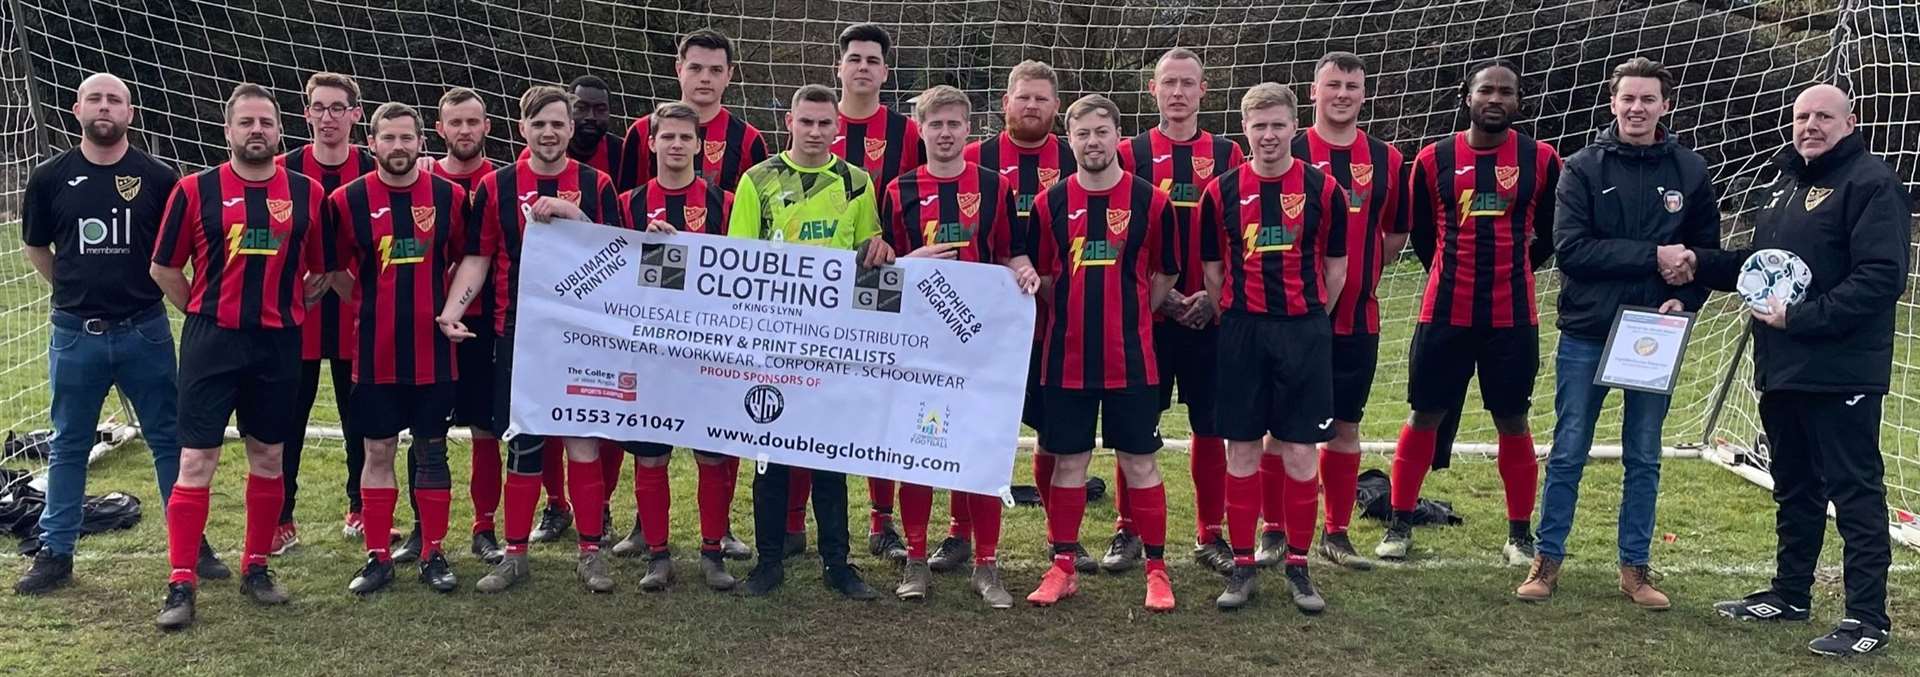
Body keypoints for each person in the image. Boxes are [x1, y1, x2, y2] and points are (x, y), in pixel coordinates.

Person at [1700, 83, 1906, 658]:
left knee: (1854, 491)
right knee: (1794, 486)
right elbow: (1758, 266)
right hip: (1783, 366)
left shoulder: (1871, 184)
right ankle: (1791, 594)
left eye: (1823, 116)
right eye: (1801, 116)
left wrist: (1803, 318)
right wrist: (1699, 265)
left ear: (1850, 121)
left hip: (1841, 370)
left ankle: (1867, 619)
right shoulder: (1788, 182)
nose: (1810, 125)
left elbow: (1880, 277)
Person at [1516, 57, 1719, 609]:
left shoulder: (1690, 171)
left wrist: (1689, 294)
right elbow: (1574, 252)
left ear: (1665, 106)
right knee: (1569, 449)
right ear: (1612, 103)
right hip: (1588, 331)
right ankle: (1547, 561)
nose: (1636, 108)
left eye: (1648, 99)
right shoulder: (1582, 168)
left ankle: (1635, 570)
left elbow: (1707, 252)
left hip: (1654, 333)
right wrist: (1654, 257)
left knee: (1645, 454)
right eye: (1627, 98)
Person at [14, 72, 228, 595]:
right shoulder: (49, 177)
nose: (105, 107)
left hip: (145, 332)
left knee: (167, 441)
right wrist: (74, 290)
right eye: (95, 99)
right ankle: (56, 551)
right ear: (77, 108)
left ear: (130, 113)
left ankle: (192, 544)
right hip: (75, 334)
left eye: (115, 99)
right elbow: (37, 248)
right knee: (68, 445)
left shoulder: (159, 177)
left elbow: (178, 251)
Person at [149, 83, 333, 629]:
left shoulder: (306, 193)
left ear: (280, 131)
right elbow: (164, 268)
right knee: (195, 461)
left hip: (278, 344)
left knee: (269, 458)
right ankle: (181, 581)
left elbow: (319, 271)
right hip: (212, 343)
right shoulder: (193, 189)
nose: (257, 131)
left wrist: (286, 309)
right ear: (228, 130)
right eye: (246, 122)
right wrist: (204, 312)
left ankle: (256, 566)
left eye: (266, 123)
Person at [437, 84, 622, 594]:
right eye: (538, 124)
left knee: (582, 440)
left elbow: (617, 254)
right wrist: (452, 311)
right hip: (517, 334)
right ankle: (514, 555)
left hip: (583, 335)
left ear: (568, 129)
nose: (549, 132)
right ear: (523, 129)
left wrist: (573, 215)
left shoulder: (596, 182)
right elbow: (478, 256)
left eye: (557, 124)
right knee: (523, 441)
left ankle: (591, 552)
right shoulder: (497, 187)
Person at [1377, 60, 1561, 566]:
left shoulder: (1541, 159)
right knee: (1424, 414)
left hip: (1513, 314)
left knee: (1513, 419)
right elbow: (1420, 234)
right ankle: (1398, 523)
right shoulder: (1433, 158)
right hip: (1445, 310)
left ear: (1518, 102)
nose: (1495, 98)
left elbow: (1550, 230)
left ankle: (1519, 535)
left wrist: (1517, 264)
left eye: (1506, 91)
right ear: (1468, 97)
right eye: (1486, 90)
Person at [731, 83, 896, 600]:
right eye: (807, 122)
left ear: (837, 128)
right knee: (771, 460)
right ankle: (768, 562)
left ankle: (838, 565)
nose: (816, 131)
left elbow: (868, 249)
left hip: (834, 346)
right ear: (789, 121)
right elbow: (740, 260)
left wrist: (880, 247)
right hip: (773, 344)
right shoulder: (757, 180)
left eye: (826, 124)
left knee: (831, 460)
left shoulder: (855, 182)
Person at [877, 85, 1039, 607]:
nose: (945, 133)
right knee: (916, 452)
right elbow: (885, 269)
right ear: (919, 130)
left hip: (980, 344)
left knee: (981, 452)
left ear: (968, 130)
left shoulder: (994, 186)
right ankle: (917, 560)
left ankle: (986, 566)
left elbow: (1011, 251)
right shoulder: (898, 188)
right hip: (921, 346)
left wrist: (1023, 268)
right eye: (935, 125)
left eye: (954, 124)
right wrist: (911, 260)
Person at [1025, 94, 1181, 612]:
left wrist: (1133, 310)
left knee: (1140, 463)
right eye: (1082, 134)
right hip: (1065, 357)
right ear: (1069, 141)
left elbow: (1166, 274)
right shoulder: (1049, 203)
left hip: (1132, 359)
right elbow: (1045, 277)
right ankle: (1063, 567)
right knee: (1068, 462)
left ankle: (1157, 571)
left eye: (1101, 132)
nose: (1092, 142)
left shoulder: (1150, 201)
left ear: (1118, 136)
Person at [1200, 82, 1347, 612]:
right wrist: (1240, 315)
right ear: (1245, 130)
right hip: (1241, 331)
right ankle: (1242, 565)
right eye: (1258, 126)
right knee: (1240, 449)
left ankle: (1300, 566)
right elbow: (1214, 272)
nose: (1268, 135)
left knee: (1302, 451)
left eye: (1278, 125)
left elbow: (1336, 268)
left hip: (1304, 332)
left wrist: (1308, 319)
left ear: (1294, 127)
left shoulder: (1323, 188)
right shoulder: (1219, 191)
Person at [794, 22, 926, 562]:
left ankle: (880, 521)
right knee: (802, 399)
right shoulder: (816, 125)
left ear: (885, 71)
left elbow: (921, 199)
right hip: (811, 293)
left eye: (873, 59)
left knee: (880, 399)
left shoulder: (907, 132)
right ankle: (791, 524)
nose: (863, 67)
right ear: (840, 66)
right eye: (855, 58)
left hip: (882, 282)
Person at [326, 102, 468, 595]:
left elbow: (468, 260)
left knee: (432, 453)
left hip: (434, 355)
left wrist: (449, 308)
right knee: (378, 450)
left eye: (407, 138)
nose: (399, 147)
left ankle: (433, 552)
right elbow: (334, 270)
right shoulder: (346, 201)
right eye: (388, 138)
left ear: (421, 143)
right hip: (374, 355)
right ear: (372, 144)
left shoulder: (450, 198)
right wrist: (369, 303)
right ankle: (379, 556)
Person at [1113, 47, 1245, 575]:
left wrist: (1212, 298)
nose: (1178, 92)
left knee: (1210, 426)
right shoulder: (1129, 151)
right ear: (1153, 89)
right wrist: (1161, 295)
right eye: (1169, 82)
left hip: (1211, 318)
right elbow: (1118, 234)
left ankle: (1210, 533)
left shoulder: (1230, 152)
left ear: (1203, 90)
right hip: (1148, 315)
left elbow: (1239, 233)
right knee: (1134, 426)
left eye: (1188, 83)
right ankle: (1127, 531)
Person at [962, 59, 1091, 574]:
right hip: (981, 325)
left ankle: (1057, 535)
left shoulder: (1076, 154)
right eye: (1023, 97)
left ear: (1056, 107)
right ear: (1005, 103)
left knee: (1052, 432)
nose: (1031, 105)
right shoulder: (976, 159)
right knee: (971, 427)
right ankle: (958, 535)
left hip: (1057, 321)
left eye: (1041, 98)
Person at [619, 101, 752, 592]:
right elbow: (609, 273)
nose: (676, 144)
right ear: (651, 142)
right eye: (666, 136)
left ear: (700, 144)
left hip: (710, 354)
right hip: (649, 353)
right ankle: (657, 555)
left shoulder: (726, 202)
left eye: (685, 137)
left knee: (711, 457)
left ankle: (713, 554)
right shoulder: (628, 203)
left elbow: (742, 273)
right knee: (650, 456)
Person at [1290, 52, 1407, 571]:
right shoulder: (1286, 146)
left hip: (1358, 318)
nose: (1342, 94)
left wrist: (1361, 276)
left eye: (1352, 87)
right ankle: (1276, 531)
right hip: (1289, 317)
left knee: (1345, 427)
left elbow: (1395, 232)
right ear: (1313, 92)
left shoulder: (1388, 159)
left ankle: (1335, 532)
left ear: (1364, 94)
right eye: (1332, 85)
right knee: (1281, 428)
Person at [519, 73, 628, 546]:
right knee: (537, 418)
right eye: (578, 110)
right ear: (524, 128)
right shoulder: (509, 178)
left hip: (597, 317)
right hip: (531, 322)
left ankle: (597, 509)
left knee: (601, 419)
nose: (587, 119)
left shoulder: (611, 168)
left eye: (596, 110)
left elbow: (619, 241)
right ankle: (555, 505)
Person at [276, 72, 377, 555]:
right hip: (295, 315)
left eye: (339, 108)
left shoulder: (376, 167)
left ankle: (360, 508)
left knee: (359, 416)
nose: (328, 117)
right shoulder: (281, 170)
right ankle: (281, 517)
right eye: (319, 107)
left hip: (358, 312)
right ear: (306, 112)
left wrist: (350, 282)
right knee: (286, 420)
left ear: (356, 114)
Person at [427, 87, 504, 564]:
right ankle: (424, 529)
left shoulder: (502, 181)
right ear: (440, 130)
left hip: (484, 325)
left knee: (484, 430)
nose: (464, 131)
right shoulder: (422, 179)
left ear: (486, 127)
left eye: (472, 122)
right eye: (455, 123)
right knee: (425, 431)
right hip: (427, 323)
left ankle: (483, 527)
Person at [617, 29, 769, 192]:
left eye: (716, 70)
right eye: (695, 68)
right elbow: (625, 204)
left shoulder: (750, 140)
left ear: (729, 75)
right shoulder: (642, 131)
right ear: (679, 69)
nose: (705, 78)